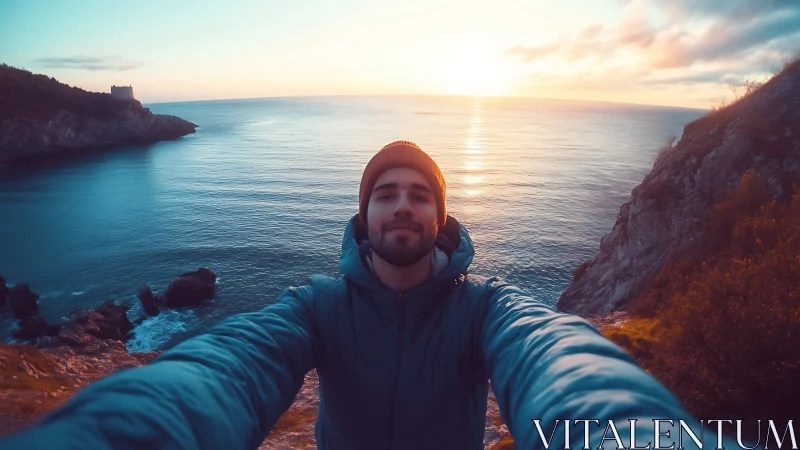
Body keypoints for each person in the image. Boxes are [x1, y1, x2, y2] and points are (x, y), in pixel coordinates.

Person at [0, 141, 739, 450]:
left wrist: (631, 435)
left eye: (421, 195)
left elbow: (563, 360)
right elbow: (224, 368)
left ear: (440, 218)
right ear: (366, 216)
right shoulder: (315, 306)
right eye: (385, 194)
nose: (403, 206)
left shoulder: (487, 307)